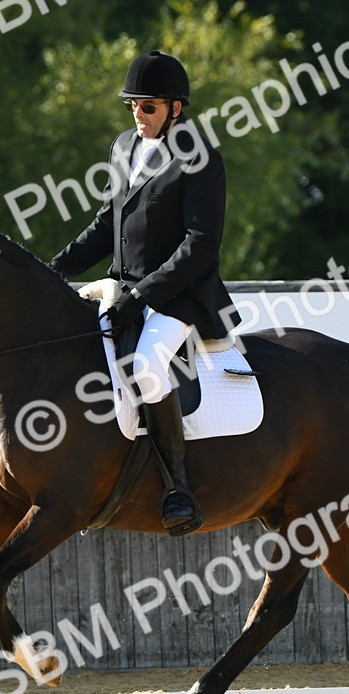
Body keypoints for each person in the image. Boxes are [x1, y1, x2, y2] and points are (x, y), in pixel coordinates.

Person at [48, 49, 241, 536]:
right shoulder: (123, 147)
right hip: (121, 288)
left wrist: (147, 294)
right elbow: (105, 226)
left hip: (180, 296)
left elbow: (201, 245)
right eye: (133, 105)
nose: (138, 114)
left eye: (148, 106)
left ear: (176, 108)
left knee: (147, 363)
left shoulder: (200, 158)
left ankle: (178, 486)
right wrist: (51, 270)